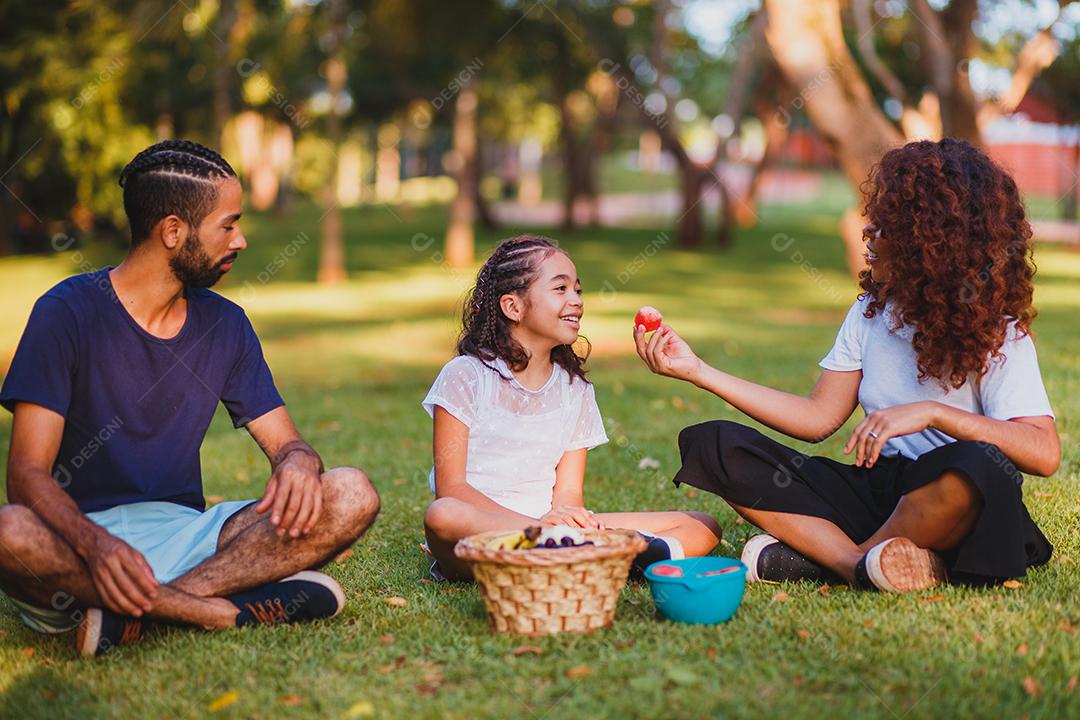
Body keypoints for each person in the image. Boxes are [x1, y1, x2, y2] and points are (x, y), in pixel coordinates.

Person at [0, 140, 380, 656]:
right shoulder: (65, 312)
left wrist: (298, 462)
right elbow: (25, 475)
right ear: (173, 231)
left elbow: (288, 444)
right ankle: (215, 611)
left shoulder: (225, 325)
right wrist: (95, 544)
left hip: (188, 540)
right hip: (76, 547)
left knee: (351, 492)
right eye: (228, 224)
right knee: (7, 531)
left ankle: (143, 614)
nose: (241, 239)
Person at [635, 138, 1059, 592]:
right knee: (716, 443)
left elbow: (1044, 452)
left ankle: (839, 563)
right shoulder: (870, 313)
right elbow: (817, 419)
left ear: (932, 242)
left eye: (885, 228)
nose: (867, 235)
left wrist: (937, 414)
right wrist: (699, 371)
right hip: (878, 492)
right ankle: (861, 566)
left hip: (951, 494)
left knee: (978, 464)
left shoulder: (997, 331)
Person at [421, 235, 721, 581]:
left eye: (577, 290)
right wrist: (539, 528)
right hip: (483, 533)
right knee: (442, 515)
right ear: (513, 307)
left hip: (556, 531)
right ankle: (592, 558)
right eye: (560, 289)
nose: (576, 301)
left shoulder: (574, 389)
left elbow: (568, 493)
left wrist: (569, 518)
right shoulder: (466, 376)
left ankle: (576, 557)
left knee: (701, 524)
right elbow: (452, 488)